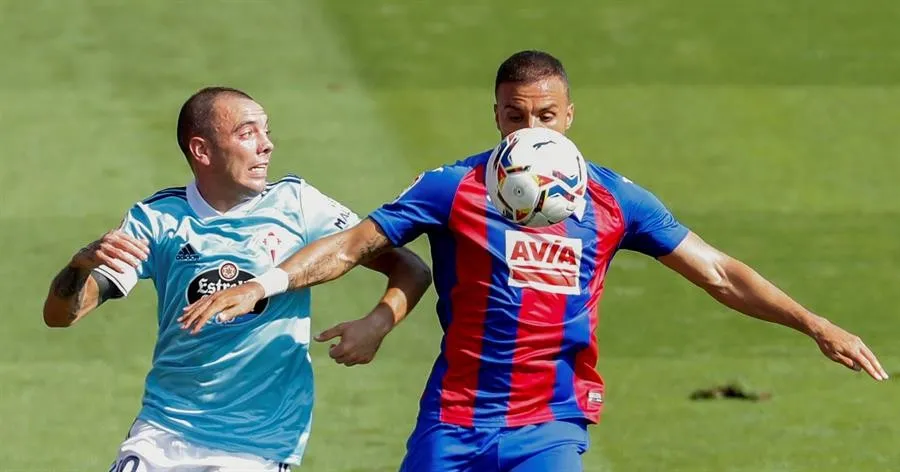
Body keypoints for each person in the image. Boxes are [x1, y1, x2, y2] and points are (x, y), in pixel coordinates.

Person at [179, 52, 888, 472]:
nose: (530, 131)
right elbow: (352, 245)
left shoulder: (613, 200)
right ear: (496, 115)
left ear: (569, 114)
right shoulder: (450, 187)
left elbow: (719, 272)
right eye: (516, 117)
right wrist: (265, 283)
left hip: (549, 420)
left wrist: (813, 323)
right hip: (452, 418)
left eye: (545, 116)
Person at [42, 86, 432, 471]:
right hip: (162, 434)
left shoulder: (298, 204)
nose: (267, 145)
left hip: (255, 446)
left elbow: (410, 268)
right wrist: (78, 269)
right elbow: (61, 315)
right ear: (202, 150)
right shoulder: (158, 219)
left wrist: (378, 324)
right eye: (247, 134)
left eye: (266, 131)